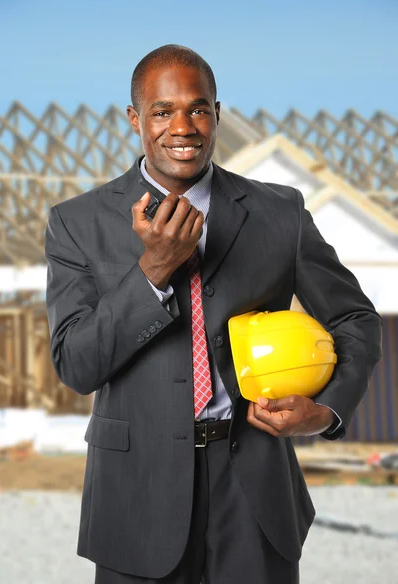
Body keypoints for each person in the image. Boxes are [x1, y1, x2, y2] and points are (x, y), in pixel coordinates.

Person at [44, 44, 382, 583]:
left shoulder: (280, 213)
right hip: (137, 491)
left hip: (253, 487)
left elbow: (355, 320)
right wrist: (153, 270)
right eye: (162, 111)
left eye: (198, 108)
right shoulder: (78, 223)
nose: (183, 126)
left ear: (218, 114)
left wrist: (327, 411)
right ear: (135, 119)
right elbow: (76, 366)